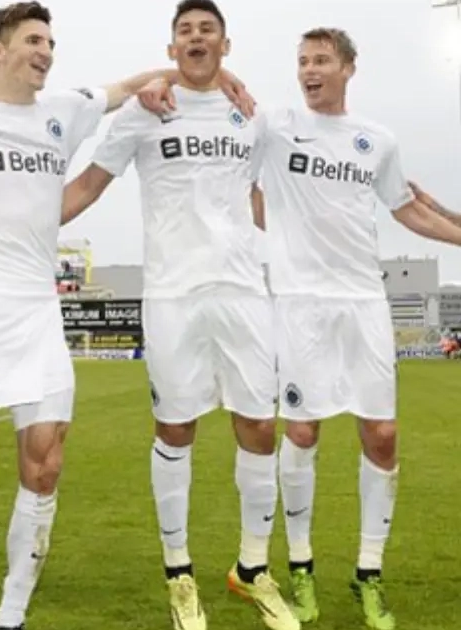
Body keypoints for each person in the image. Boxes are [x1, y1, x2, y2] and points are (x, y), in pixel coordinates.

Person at [0, 3, 252, 629]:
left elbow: (129, 86)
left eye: (50, 43)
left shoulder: (65, 110)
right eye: (33, 40)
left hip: (38, 309)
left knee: (46, 462)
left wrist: (222, 78)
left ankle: (12, 614)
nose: (45, 52)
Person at [59, 2, 297, 629]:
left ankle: (251, 568)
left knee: (259, 425)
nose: (196, 38)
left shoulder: (252, 115)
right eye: (185, 31)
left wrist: (300, 248)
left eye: (206, 30)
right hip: (172, 294)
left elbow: (255, 194)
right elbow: (89, 184)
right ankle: (179, 573)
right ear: (171, 49)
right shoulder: (146, 110)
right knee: (175, 428)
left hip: (243, 290)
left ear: (225, 44)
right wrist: (23, 225)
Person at [247, 27, 461, 630]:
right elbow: (240, 180)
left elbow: (407, 209)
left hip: (364, 299)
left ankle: (369, 572)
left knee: (383, 434)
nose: (309, 71)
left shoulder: (376, 140)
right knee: (302, 430)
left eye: (321, 60)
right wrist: (277, 229)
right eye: (302, 62)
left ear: (347, 68)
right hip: (300, 303)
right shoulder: (274, 126)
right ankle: (301, 567)